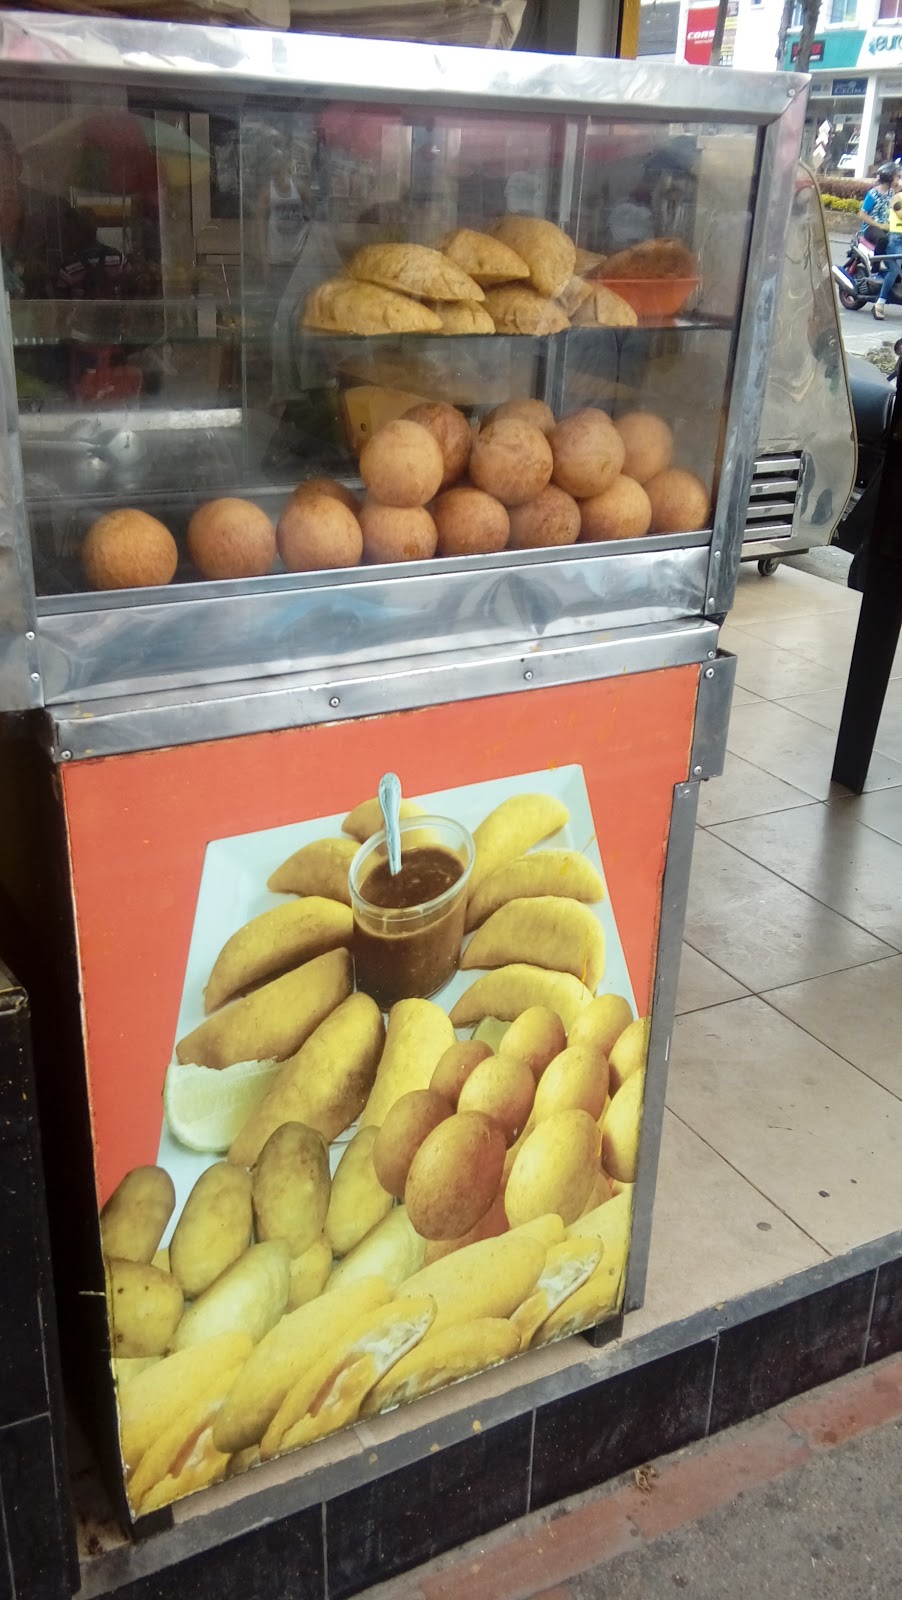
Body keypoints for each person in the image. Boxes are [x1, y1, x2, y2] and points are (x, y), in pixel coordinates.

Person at [873, 176, 902, 318]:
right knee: (895, 270)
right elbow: (900, 214)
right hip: (897, 239)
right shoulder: (897, 198)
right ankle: (880, 303)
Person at [859, 163, 898, 254]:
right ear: (889, 178)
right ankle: (876, 262)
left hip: (888, 226)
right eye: (897, 177)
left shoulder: (892, 193)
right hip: (871, 228)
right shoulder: (873, 194)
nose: (898, 180)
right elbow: (862, 214)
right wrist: (880, 225)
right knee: (883, 239)